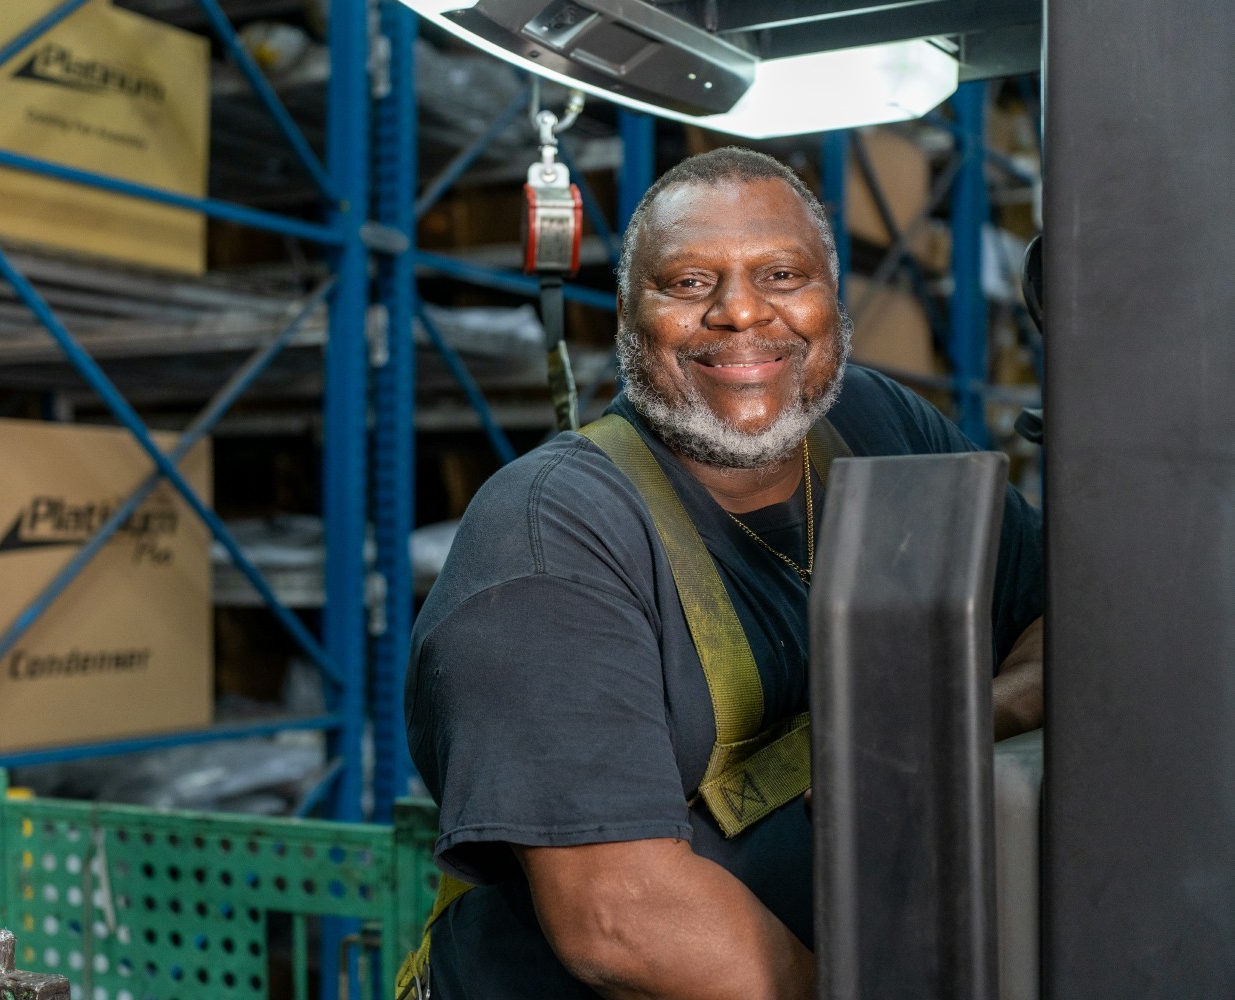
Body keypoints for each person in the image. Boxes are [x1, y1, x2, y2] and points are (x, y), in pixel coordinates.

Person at [405, 146, 1044, 1000]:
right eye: (689, 284)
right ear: (631, 318)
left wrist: (964, 716)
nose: (742, 313)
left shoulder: (877, 426)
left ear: (832, 300)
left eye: (782, 274)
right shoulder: (550, 538)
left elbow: (1063, 610)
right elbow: (620, 919)